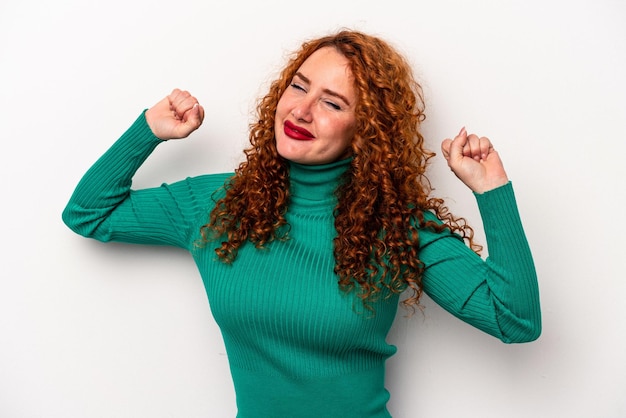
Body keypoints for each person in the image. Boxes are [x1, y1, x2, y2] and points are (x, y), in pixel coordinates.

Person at [62, 29, 541, 418]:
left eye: (333, 103)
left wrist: (492, 191)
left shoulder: (396, 226)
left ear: (365, 131)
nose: (302, 110)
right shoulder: (217, 203)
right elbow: (88, 213)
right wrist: (148, 129)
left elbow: (514, 320)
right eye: (299, 86)